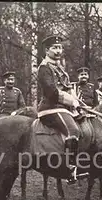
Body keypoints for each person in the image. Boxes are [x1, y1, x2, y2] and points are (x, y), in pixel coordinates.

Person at [37, 35, 84, 184]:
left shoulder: (59, 68)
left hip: (64, 108)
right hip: (50, 108)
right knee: (73, 131)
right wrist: (72, 101)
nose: (58, 51)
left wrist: (78, 102)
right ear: (47, 50)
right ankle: (69, 169)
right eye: (54, 48)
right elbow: (52, 92)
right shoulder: (44, 67)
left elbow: (67, 87)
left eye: (60, 48)